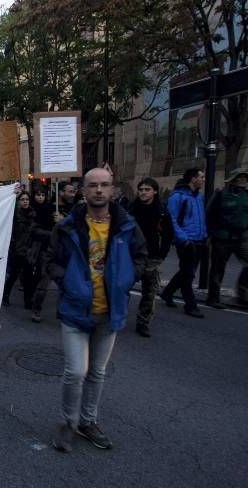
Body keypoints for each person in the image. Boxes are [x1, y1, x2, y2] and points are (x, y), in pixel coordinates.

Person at [47, 168, 146, 453]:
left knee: (97, 373)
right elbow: (51, 259)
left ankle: (88, 422)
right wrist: (68, 282)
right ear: (83, 190)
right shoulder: (68, 226)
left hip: (110, 311)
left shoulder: (126, 225)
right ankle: (69, 422)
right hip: (76, 311)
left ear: (113, 189)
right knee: (76, 371)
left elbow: (141, 255)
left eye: (104, 185)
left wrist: (127, 278)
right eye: (93, 185)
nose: (99, 190)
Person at [160, 168, 208, 318]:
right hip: (186, 241)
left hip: (199, 240)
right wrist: (184, 239)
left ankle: (167, 293)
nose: (203, 179)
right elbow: (172, 220)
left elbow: (201, 218)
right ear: (193, 179)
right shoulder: (178, 197)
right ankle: (190, 305)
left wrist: (205, 234)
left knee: (186, 271)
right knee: (188, 274)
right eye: (201, 177)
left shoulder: (199, 197)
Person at [129, 177, 173, 337]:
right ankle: (115, 316)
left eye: (147, 189)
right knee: (122, 287)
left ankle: (143, 322)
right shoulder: (132, 209)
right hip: (132, 255)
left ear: (154, 191)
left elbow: (168, 234)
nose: (143, 192)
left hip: (152, 256)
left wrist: (162, 254)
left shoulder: (161, 210)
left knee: (149, 291)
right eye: (141, 189)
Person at [206, 168, 248, 308]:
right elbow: (210, 215)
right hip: (222, 239)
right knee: (218, 269)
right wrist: (210, 235)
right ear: (232, 180)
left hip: (242, 238)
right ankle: (213, 298)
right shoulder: (220, 195)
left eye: (244, 178)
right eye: (240, 177)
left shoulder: (246, 195)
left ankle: (242, 295)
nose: (243, 180)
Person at [2, 191, 36, 307]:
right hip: (17, 249)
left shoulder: (33, 214)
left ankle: (28, 301)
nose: (25, 201)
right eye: (22, 199)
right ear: (18, 201)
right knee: (14, 275)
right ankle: (5, 296)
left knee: (28, 277)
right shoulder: (15, 214)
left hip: (29, 250)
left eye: (27, 199)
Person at [29, 187, 55, 323]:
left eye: (43, 195)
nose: (40, 197)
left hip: (60, 250)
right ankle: (36, 308)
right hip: (44, 249)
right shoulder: (34, 211)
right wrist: (52, 234)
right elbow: (34, 230)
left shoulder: (52, 209)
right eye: (38, 195)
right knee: (43, 280)